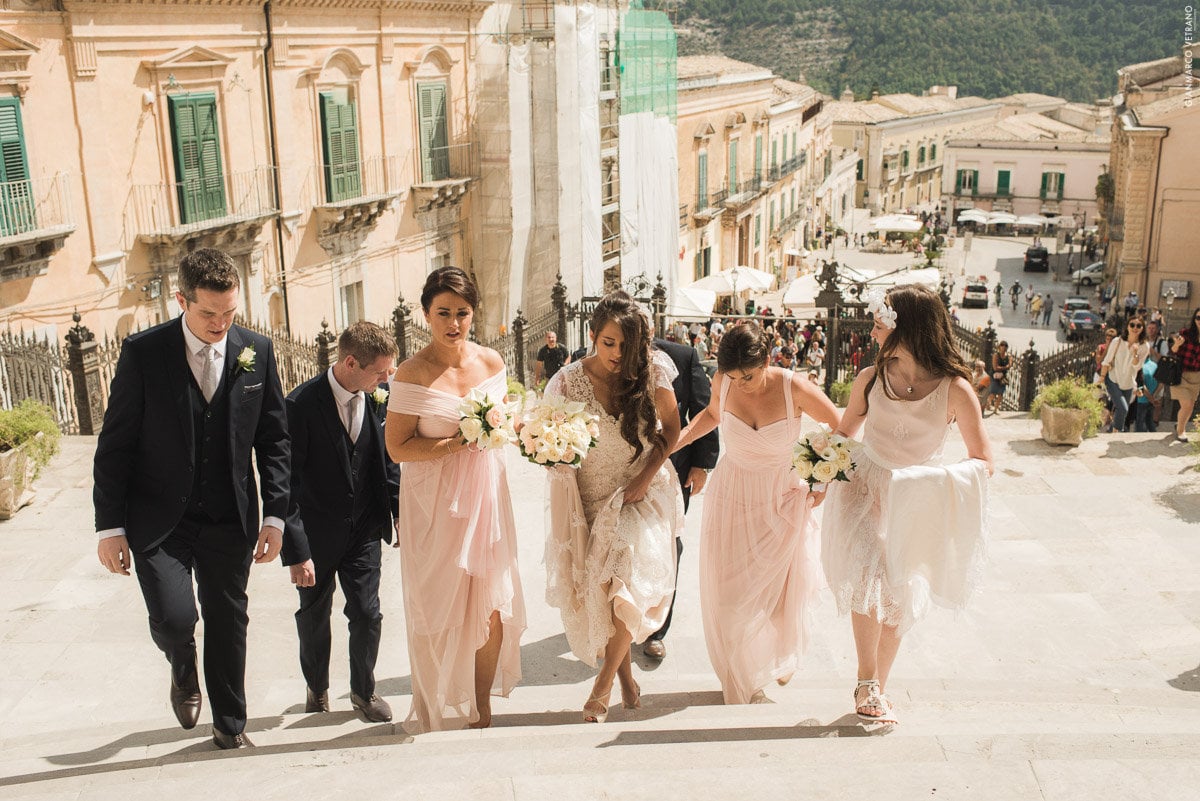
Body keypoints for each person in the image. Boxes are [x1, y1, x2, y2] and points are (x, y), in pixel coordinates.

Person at [93, 248, 290, 750]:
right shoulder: (143, 353)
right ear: (181, 300)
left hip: (230, 517)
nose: (221, 324)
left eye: (230, 313)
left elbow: (274, 441)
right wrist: (109, 528)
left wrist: (276, 516)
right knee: (176, 617)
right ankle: (183, 661)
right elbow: (114, 445)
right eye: (208, 313)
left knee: (229, 620)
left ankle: (231, 725)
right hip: (160, 519)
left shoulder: (257, 352)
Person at [815, 284, 993, 725]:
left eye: (878, 324)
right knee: (863, 573)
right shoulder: (869, 379)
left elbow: (983, 461)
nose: (871, 333)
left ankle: (879, 687)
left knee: (898, 590)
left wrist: (932, 482)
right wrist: (815, 477)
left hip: (916, 498)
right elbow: (844, 432)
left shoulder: (955, 391)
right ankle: (866, 682)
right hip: (863, 484)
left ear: (906, 330)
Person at [385, 267, 527, 732]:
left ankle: (481, 705)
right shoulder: (411, 373)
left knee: (491, 601)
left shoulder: (491, 362)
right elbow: (397, 447)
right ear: (426, 314)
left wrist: (536, 435)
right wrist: (458, 444)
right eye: (443, 312)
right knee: (437, 607)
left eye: (462, 313)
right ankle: (435, 703)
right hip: (433, 508)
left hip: (487, 497)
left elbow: (505, 423)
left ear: (473, 315)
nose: (453, 322)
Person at [671, 322, 840, 704]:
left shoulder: (792, 386)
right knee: (731, 598)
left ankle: (781, 655)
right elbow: (713, 415)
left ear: (766, 360)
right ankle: (748, 682)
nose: (740, 384)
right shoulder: (725, 382)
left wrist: (821, 475)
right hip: (733, 497)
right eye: (733, 376)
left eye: (748, 375)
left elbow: (841, 425)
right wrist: (675, 442)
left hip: (782, 497)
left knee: (780, 597)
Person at [543, 291, 684, 722]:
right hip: (588, 495)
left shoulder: (653, 369)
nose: (618, 355)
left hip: (642, 489)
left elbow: (673, 428)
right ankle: (626, 680)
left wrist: (644, 477)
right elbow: (544, 436)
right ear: (591, 337)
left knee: (626, 576)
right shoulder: (566, 381)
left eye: (626, 345)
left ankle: (601, 686)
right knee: (605, 594)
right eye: (608, 343)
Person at [282, 322, 399, 723]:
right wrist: (296, 552)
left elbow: (386, 464)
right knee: (314, 616)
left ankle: (364, 692)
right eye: (380, 371)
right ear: (350, 362)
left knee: (367, 612)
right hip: (315, 537)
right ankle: (317, 688)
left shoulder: (378, 397)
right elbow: (287, 485)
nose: (388, 378)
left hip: (365, 530)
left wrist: (399, 515)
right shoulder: (298, 406)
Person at [643, 320, 720, 661]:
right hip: (621, 469)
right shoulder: (603, 358)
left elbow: (704, 410)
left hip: (675, 468)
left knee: (670, 543)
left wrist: (703, 462)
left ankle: (657, 630)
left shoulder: (683, 356)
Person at [1098, 317, 1149, 433]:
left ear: (1142, 329)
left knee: (1122, 411)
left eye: (1138, 326)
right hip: (1113, 379)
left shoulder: (1144, 346)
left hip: (1128, 382)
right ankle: (1116, 433)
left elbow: (1137, 367)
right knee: (1122, 408)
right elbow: (1107, 360)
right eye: (1132, 325)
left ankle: (1113, 431)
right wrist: (1101, 377)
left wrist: (1135, 353)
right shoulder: (1117, 341)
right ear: (1127, 326)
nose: (1135, 328)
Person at [1168, 308, 1200, 442]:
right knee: (1186, 405)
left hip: (1197, 377)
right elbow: (1172, 353)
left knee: (1190, 406)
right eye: (1198, 318)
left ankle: (1180, 425)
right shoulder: (1185, 334)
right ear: (1194, 319)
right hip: (1180, 375)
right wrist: (1176, 344)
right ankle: (1181, 431)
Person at [985, 341, 1011, 415]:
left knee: (1000, 393)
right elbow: (995, 368)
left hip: (1003, 377)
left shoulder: (1008, 356)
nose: (1004, 347)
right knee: (993, 393)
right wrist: (1005, 367)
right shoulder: (996, 355)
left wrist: (1002, 368)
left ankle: (996, 409)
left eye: (1005, 345)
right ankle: (988, 403)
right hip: (994, 376)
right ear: (999, 346)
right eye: (1002, 345)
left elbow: (1010, 365)